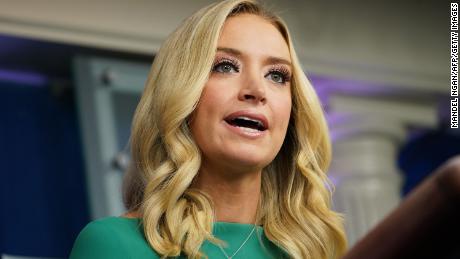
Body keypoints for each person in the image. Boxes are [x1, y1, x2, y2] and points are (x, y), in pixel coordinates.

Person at [69, 0, 347, 258]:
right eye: (226, 66)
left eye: (277, 75)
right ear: (179, 93)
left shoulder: (312, 251)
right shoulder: (113, 244)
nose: (256, 90)